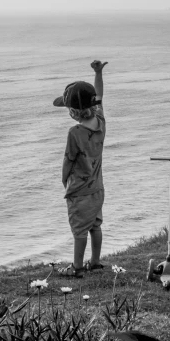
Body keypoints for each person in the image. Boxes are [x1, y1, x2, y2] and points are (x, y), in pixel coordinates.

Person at [53, 60, 108, 278]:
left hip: (79, 190)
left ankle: (76, 268)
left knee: (79, 231)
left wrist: (63, 179)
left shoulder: (74, 133)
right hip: (97, 187)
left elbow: (68, 159)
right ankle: (95, 262)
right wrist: (98, 73)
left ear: (74, 111)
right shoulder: (101, 120)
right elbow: (100, 95)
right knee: (95, 225)